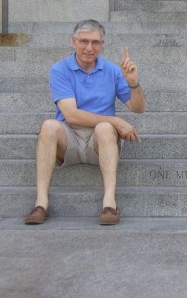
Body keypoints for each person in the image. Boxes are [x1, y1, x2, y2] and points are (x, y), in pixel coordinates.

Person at [24, 19, 147, 225]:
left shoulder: (112, 71)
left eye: (95, 42)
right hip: (69, 138)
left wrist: (133, 83)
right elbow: (71, 115)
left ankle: (109, 204)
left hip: (100, 142)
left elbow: (139, 108)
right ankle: (41, 204)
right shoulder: (60, 69)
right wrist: (116, 120)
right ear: (73, 42)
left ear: (102, 44)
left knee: (105, 128)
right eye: (84, 41)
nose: (89, 48)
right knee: (49, 126)